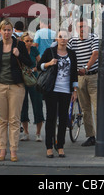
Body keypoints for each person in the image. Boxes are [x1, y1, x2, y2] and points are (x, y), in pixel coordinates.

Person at [0, 19, 32, 162]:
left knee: (14, 120)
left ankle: (13, 150)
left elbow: (30, 63)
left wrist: (19, 54)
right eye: (4, 30)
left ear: (12, 31)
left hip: (16, 86)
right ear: (0, 31)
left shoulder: (19, 44)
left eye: (9, 29)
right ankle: (2, 150)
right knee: (1, 120)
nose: (6, 32)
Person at [38, 29, 78, 158]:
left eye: (65, 37)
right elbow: (39, 66)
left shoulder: (72, 53)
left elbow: (74, 73)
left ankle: (60, 146)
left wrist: (75, 90)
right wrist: (49, 63)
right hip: (52, 89)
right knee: (50, 118)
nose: (63, 39)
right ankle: (49, 147)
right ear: (56, 39)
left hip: (66, 90)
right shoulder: (50, 52)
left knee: (63, 119)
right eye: (60, 36)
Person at [67, 19, 101, 147]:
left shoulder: (93, 38)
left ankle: (103, 138)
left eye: (85, 26)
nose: (82, 29)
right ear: (76, 29)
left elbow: (95, 54)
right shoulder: (72, 41)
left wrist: (86, 68)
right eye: (80, 26)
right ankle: (91, 136)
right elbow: (65, 51)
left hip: (93, 76)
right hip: (79, 78)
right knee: (85, 109)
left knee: (98, 109)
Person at [19, 32, 44, 142]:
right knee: (23, 106)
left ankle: (38, 133)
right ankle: (26, 132)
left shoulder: (34, 50)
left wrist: (33, 69)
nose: (29, 43)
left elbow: (41, 64)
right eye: (26, 41)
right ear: (22, 41)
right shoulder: (19, 51)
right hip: (22, 81)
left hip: (34, 80)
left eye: (30, 41)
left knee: (37, 105)